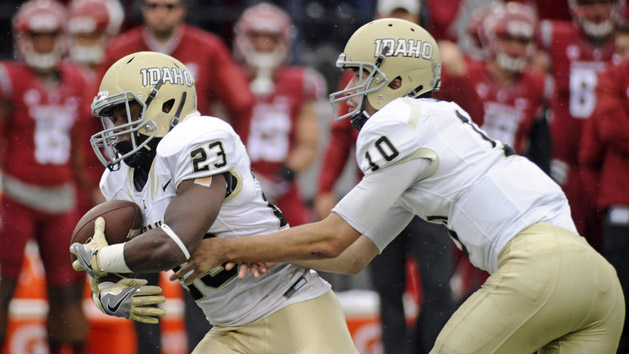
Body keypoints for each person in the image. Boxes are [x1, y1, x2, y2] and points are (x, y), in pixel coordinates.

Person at [173, 18, 625, 354]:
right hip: (595, 281)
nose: (351, 87)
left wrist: (230, 248)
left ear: (395, 80)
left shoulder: (399, 121)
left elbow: (332, 236)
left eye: (361, 75)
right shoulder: (434, 137)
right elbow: (350, 257)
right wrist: (260, 251)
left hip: (537, 270)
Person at [69, 51, 358, 354]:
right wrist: (105, 288)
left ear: (167, 105)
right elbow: (110, 253)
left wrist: (101, 260)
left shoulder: (200, 136)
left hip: (292, 307)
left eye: (125, 114)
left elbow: (175, 243)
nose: (115, 129)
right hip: (229, 330)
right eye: (111, 117)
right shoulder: (119, 178)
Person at [99, 0, 256, 350]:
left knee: (194, 268)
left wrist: (238, 160)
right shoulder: (120, 50)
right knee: (138, 275)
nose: (160, 14)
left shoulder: (200, 128)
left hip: (188, 173)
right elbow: (95, 119)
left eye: (169, 5)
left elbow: (241, 103)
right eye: (152, 5)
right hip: (144, 165)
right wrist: (104, 285)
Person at [316, 3, 455, 353]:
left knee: (437, 287)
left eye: (406, 17)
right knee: (388, 290)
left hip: (426, 195)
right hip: (381, 195)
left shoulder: (439, 71)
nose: (398, 24)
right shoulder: (364, 70)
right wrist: (325, 186)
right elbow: (338, 136)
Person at [0, 1, 94, 353]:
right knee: (2, 286)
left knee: (67, 290)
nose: (41, 44)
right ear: (23, 39)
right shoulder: (10, 78)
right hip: (15, 194)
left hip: (61, 197)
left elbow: (79, 151)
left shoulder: (78, 81)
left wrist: (91, 192)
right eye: (35, 36)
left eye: (49, 36)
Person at [232, 2, 325, 226]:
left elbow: (308, 144)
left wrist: (280, 178)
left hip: (282, 189)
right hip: (234, 188)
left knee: (301, 252)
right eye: (256, 37)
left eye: (271, 38)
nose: (263, 44)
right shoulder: (229, 77)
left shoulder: (301, 82)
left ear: (283, 41)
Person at [539, 0, 620, 251]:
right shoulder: (555, 37)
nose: (597, 12)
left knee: (611, 241)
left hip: (611, 162)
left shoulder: (623, 43)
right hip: (567, 163)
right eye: (588, 3)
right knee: (565, 239)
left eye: (605, 3)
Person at [579, 24, 629, 353]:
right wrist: (600, 199)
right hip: (621, 203)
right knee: (620, 298)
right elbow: (609, 132)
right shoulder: (613, 76)